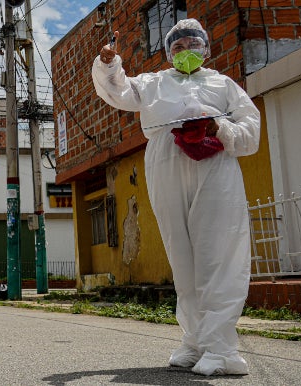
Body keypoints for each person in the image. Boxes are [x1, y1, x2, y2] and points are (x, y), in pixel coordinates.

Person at [91, 19, 260, 376]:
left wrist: (219, 127)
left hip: (214, 166)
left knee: (217, 252)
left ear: (206, 48)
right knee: (181, 256)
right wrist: (108, 63)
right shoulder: (155, 82)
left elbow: (250, 132)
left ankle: (221, 349)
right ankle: (195, 341)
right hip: (165, 164)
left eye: (192, 44)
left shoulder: (223, 85)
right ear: (169, 53)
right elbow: (120, 91)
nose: (185, 51)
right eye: (178, 47)